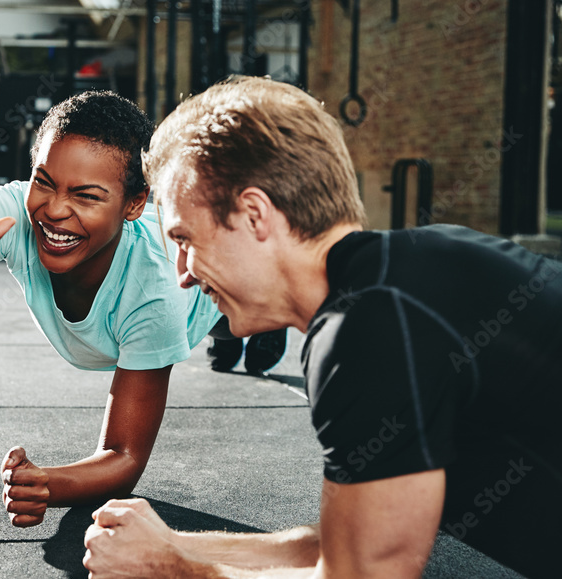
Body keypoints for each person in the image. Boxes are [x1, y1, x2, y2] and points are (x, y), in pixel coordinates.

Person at [82, 76, 561, 578]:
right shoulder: (406, 276)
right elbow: (338, 550)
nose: (181, 272)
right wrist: (173, 544)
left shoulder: (367, 330)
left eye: (185, 239)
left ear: (253, 214)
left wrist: (171, 569)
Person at [0, 91, 224, 528]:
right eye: (44, 182)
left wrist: (49, 482)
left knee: (234, 320)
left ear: (135, 204)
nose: (55, 209)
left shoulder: (156, 294)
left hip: (207, 294)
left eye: (86, 196)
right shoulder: (14, 211)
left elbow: (125, 457)